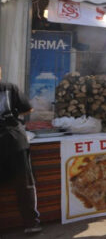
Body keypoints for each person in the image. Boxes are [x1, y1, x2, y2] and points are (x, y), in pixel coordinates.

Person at [0, 67, 42, 234]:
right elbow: (27, 109)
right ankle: (31, 223)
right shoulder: (10, 87)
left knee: (22, 183)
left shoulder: (10, 88)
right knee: (24, 183)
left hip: (12, 139)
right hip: (14, 139)